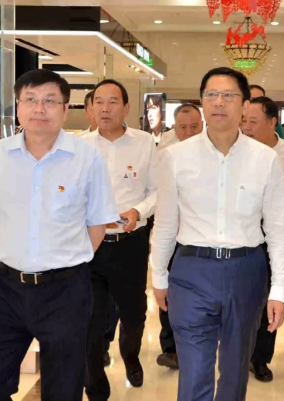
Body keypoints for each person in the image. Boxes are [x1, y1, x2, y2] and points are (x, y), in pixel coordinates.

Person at [0, 69, 119, 401]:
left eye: (50, 101)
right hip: (5, 289)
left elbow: (97, 223)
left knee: (63, 390)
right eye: (31, 100)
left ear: (65, 109)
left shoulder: (87, 158)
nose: (39, 108)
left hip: (65, 290)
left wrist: (66, 261)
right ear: (18, 106)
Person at [151, 67, 284, 401]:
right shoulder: (175, 157)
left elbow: (279, 230)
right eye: (211, 95)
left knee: (234, 369)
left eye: (229, 95)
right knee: (194, 370)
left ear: (244, 105)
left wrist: (280, 289)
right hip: (191, 270)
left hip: (246, 271)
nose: (219, 102)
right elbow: (166, 223)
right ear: (202, 102)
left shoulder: (266, 160)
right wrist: (158, 275)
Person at [81, 79, 158, 400]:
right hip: (91, 245)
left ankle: (130, 354)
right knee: (90, 317)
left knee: (133, 313)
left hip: (130, 245)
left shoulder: (145, 143)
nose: (104, 108)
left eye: (112, 102)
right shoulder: (80, 146)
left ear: (126, 108)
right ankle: (96, 386)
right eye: (98, 101)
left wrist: (138, 211)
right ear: (90, 108)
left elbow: (157, 190)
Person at [241, 96, 284, 383]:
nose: (246, 127)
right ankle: (239, 352)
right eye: (244, 121)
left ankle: (260, 358)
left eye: (253, 121)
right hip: (244, 231)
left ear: (272, 122)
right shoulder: (237, 151)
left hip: (278, 232)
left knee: (272, 296)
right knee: (244, 298)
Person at [155, 103, 204, 371]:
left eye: (194, 126)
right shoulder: (167, 154)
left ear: (202, 125)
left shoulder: (214, 152)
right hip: (173, 237)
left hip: (201, 241)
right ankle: (171, 348)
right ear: (174, 128)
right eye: (183, 127)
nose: (188, 132)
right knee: (170, 293)